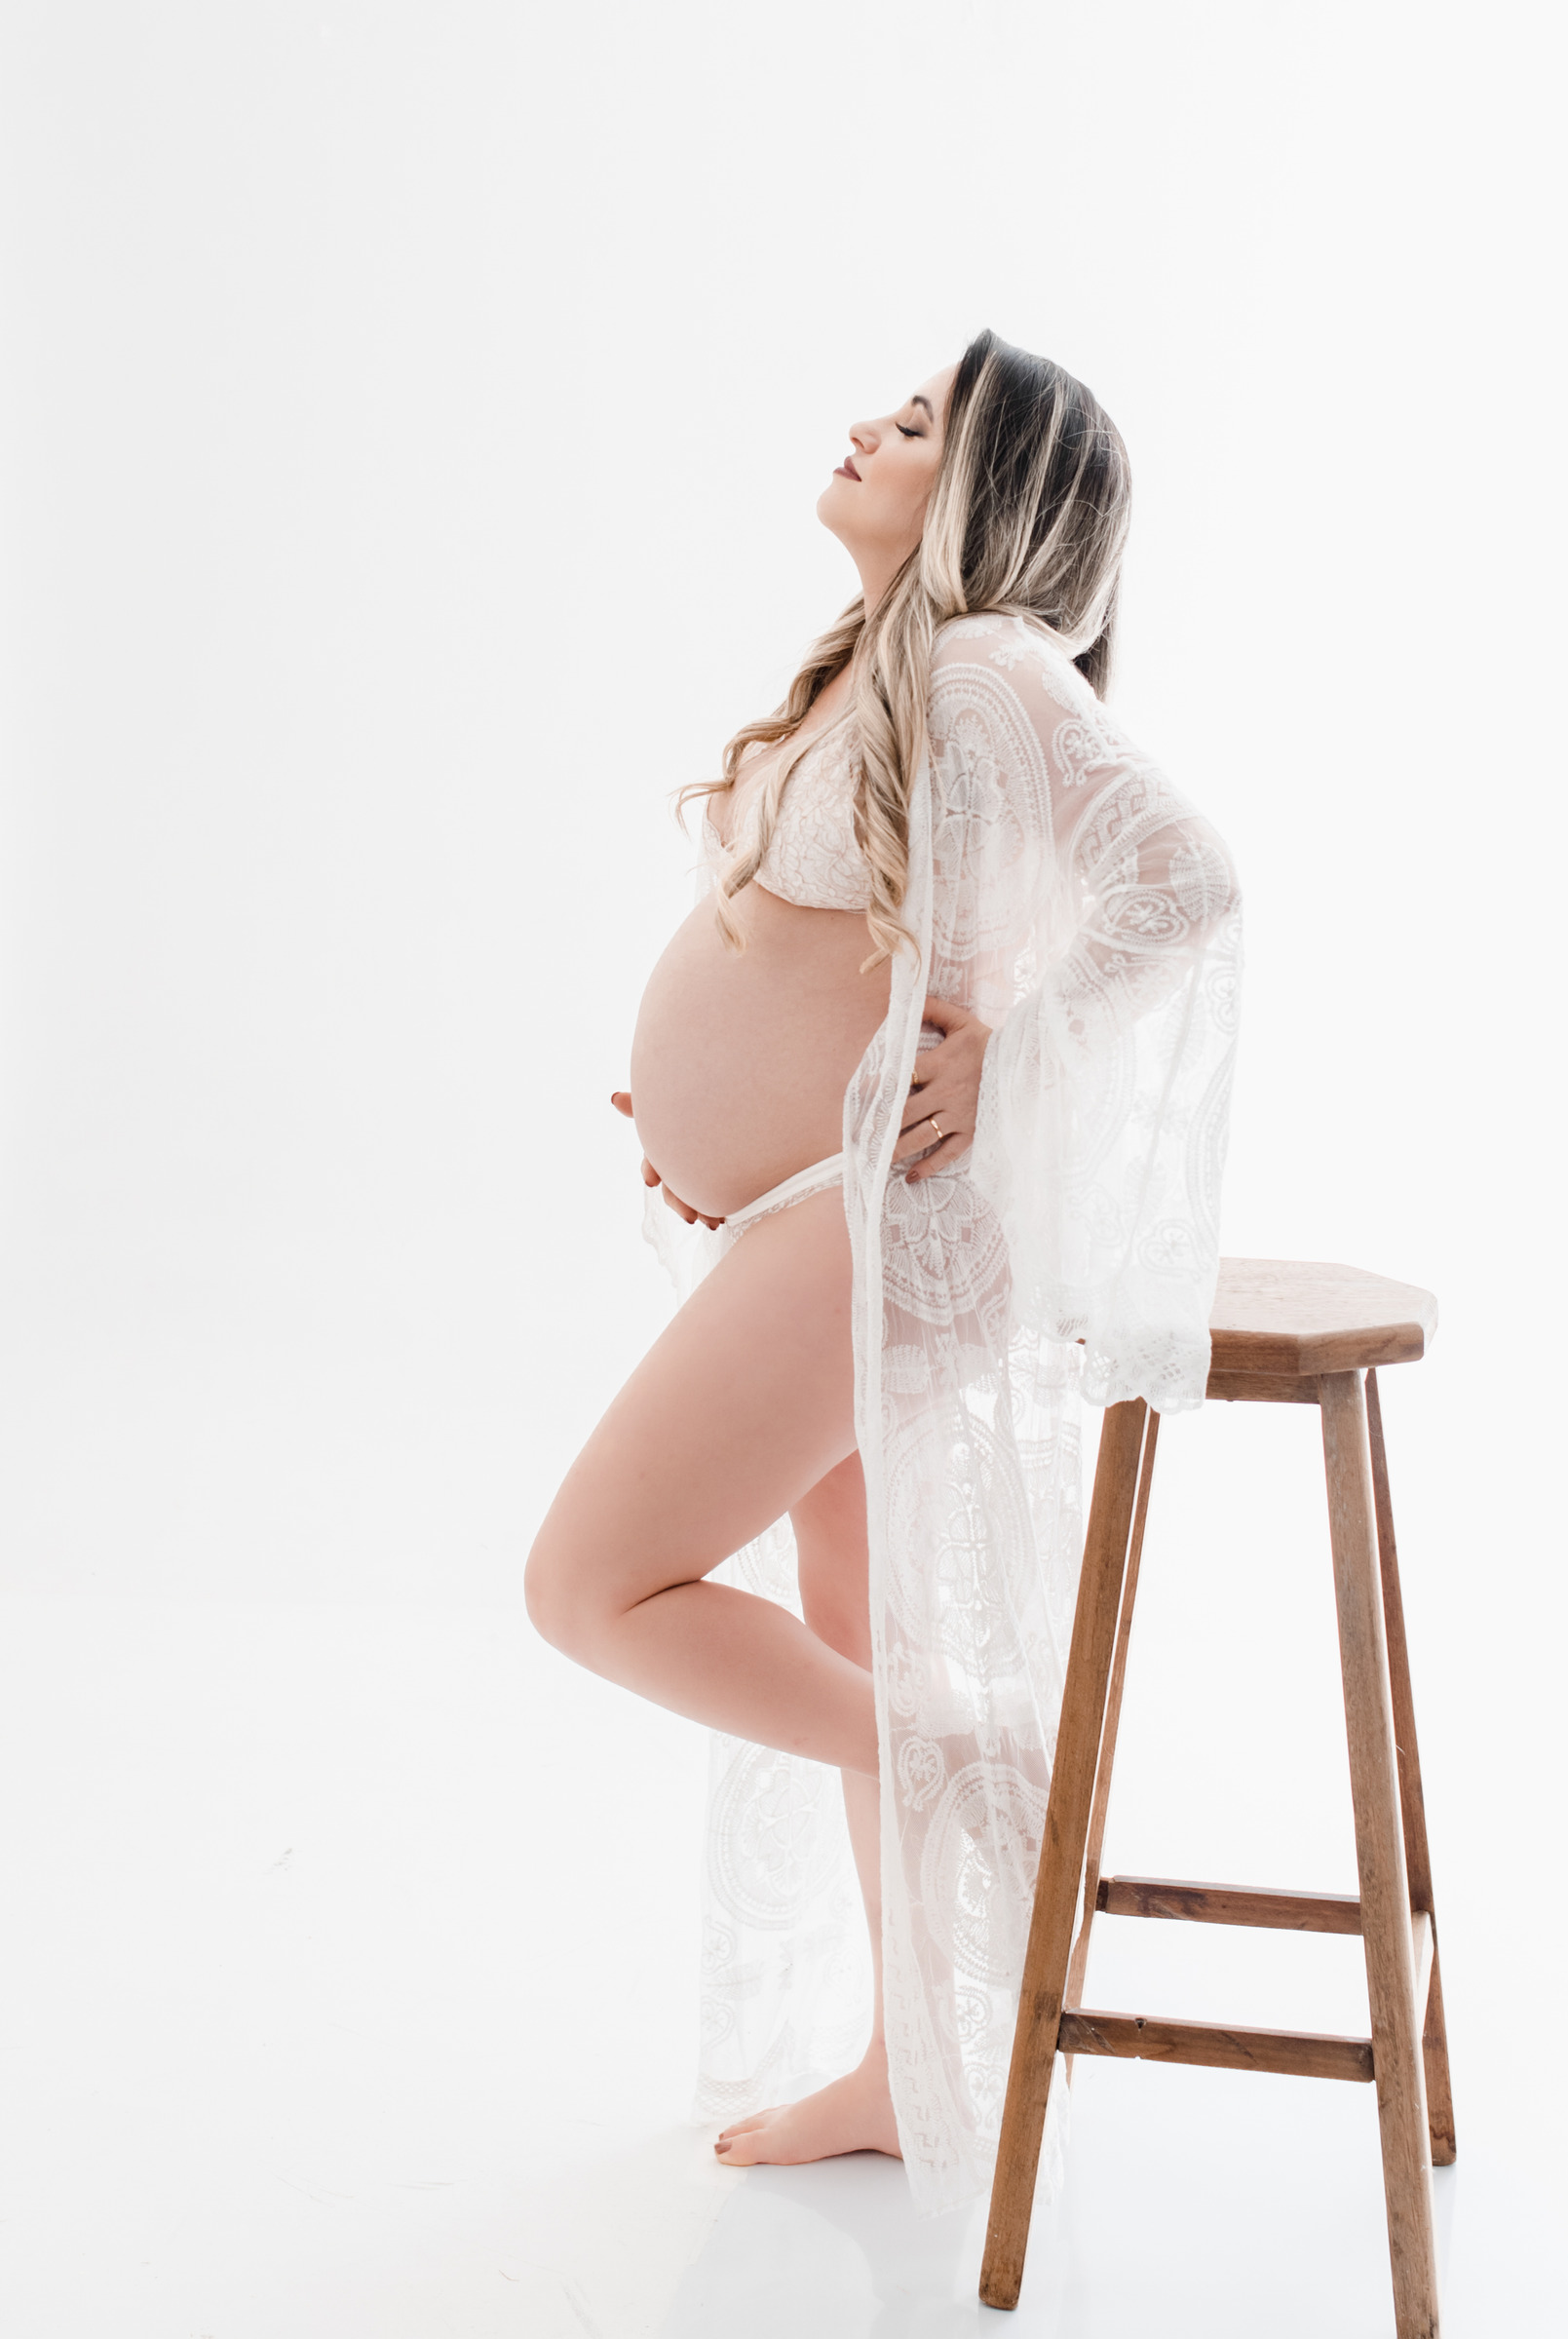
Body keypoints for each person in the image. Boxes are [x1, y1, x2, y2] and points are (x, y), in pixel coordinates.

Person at [524, 329, 1243, 2215]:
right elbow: (829, 960)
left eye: (918, 423)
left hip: (879, 1221)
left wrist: (1011, 1054)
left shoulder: (992, 663)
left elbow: (1185, 882)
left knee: (591, 1585)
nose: (867, 425)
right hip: (801, 1207)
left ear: (987, 495)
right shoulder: (882, 662)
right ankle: (908, 2066)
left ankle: (981, 1765)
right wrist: (704, 1110)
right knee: (844, 1630)